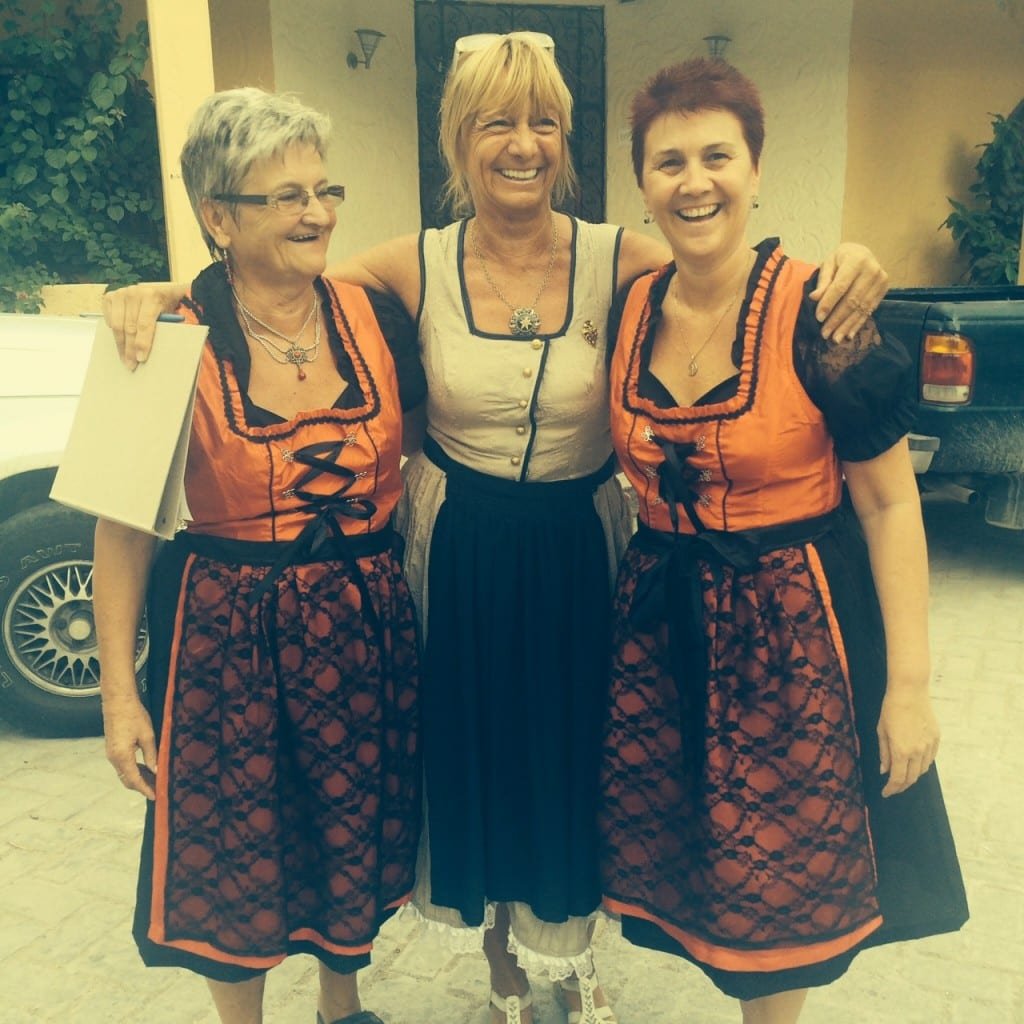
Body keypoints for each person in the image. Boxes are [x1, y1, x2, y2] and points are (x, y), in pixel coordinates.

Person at [102, 36, 890, 1024]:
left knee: (583, 757)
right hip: (458, 548)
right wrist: (154, 295)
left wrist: (845, 265)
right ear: (456, 141)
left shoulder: (623, 257)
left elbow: (727, 267)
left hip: (587, 545)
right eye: (493, 123)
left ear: (566, 141)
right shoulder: (401, 267)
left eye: (543, 122)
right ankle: (495, 964)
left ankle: (568, 959)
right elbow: (260, 285)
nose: (521, 144)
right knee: (464, 755)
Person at [600, 58, 969, 1024]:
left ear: (756, 171)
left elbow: (891, 506)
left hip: (793, 632)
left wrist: (912, 687)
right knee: (697, 870)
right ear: (643, 183)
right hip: (662, 628)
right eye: (668, 161)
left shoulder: (825, 312)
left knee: (784, 882)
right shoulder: (630, 305)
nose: (695, 182)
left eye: (717, 155)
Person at [93, 88, 426, 1024]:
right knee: (233, 851)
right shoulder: (157, 340)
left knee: (348, 826)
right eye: (283, 196)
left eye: (323, 190)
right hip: (229, 637)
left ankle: (341, 1006)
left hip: (364, 625)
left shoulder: (374, 318)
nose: (315, 212)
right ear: (217, 218)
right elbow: (121, 526)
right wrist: (120, 695)